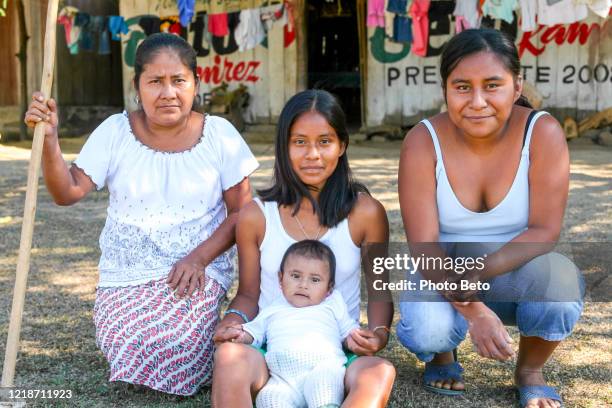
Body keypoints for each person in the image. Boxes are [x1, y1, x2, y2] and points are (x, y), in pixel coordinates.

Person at [23, 33, 258, 395]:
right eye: (155, 81)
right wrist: (50, 139)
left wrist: (198, 258)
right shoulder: (115, 132)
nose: (168, 92)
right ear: (137, 86)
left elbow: (243, 214)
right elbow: (66, 193)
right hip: (126, 274)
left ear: (196, 83)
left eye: (178, 80)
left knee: (178, 347)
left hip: (195, 272)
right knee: (129, 341)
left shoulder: (220, 135)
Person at [397, 29, 583, 408]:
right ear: (445, 88)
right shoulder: (423, 140)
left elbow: (545, 232)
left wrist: (479, 274)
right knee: (429, 331)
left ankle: (530, 371)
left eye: (492, 85)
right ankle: (442, 354)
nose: (477, 101)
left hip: (513, 267)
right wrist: (472, 308)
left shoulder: (542, 132)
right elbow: (424, 245)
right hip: (442, 266)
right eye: (462, 86)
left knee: (560, 286)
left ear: (516, 86)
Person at [211, 89, 396, 407]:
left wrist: (378, 334)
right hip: (270, 347)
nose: (313, 154)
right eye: (299, 142)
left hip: (337, 350)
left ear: (342, 146)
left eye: (324, 141)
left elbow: (379, 291)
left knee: (379, 372)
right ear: (284, 147)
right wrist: (233, 320)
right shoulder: (257, 215)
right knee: (228, 357)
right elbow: (248, 294)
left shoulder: (366, 213)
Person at [228, 240, 360, 408]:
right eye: (296, 276)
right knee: (268, 397)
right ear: (281, 279)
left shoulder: (332, 303)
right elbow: (254, 332)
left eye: (315, 280)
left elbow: (348, 330)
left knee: (324, 384)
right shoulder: (274, 307)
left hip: (322, 367)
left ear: (329, 288)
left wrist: (356, 340)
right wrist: (239, 335)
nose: (303, 285)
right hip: (282, 379)